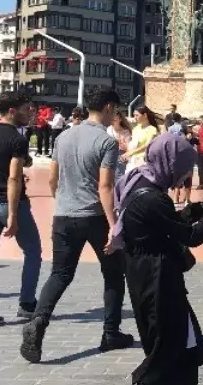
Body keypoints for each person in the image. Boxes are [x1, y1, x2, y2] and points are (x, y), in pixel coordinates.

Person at [111, 133, 203, 385]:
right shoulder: (151, 198)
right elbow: (190, 236)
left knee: (187, 335)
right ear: (170, 163)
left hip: (155, 272)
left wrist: (198, 209)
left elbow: (169, 223)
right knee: (168, 342)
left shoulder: (144, 183)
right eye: (185, 168)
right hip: (154, 277)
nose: (186, 174)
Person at [20, 88, 134, 363]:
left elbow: (52, 178)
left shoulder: (64, 136)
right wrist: (114, 226)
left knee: (60, 274)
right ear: (108, 107)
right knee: (113, 273)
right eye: (116, 110)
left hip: (64, 215)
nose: (116, 116)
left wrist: (62, 202)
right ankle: (110, 332)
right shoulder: (106, 142)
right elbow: (105, 187)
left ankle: (38, 321)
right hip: (95, 216)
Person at [0, 90, 42, 328]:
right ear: (12, 111)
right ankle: (27, 303)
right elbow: (13, 179)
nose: (29, 112)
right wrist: (12, 215)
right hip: (11, 204)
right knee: (33, 251)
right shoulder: (17, 139)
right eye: (25, 109)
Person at [126, 106, 160, 172]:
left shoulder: (152, 130)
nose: (135, 118)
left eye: (137, 115)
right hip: (132, 159)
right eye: (134, 115)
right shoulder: (135, 129)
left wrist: (131, 152)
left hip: (143, 160)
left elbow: (147, 145)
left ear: (145, 115)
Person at [108, 108, 132, 178]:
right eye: (111, 120)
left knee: (119, 175)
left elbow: (128, 147)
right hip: (110, 154)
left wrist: (120, 143)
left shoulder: (125, 132)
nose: (112, 122)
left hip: (121, 155)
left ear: (120, 120)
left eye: (114, 120)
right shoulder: (109, 129)